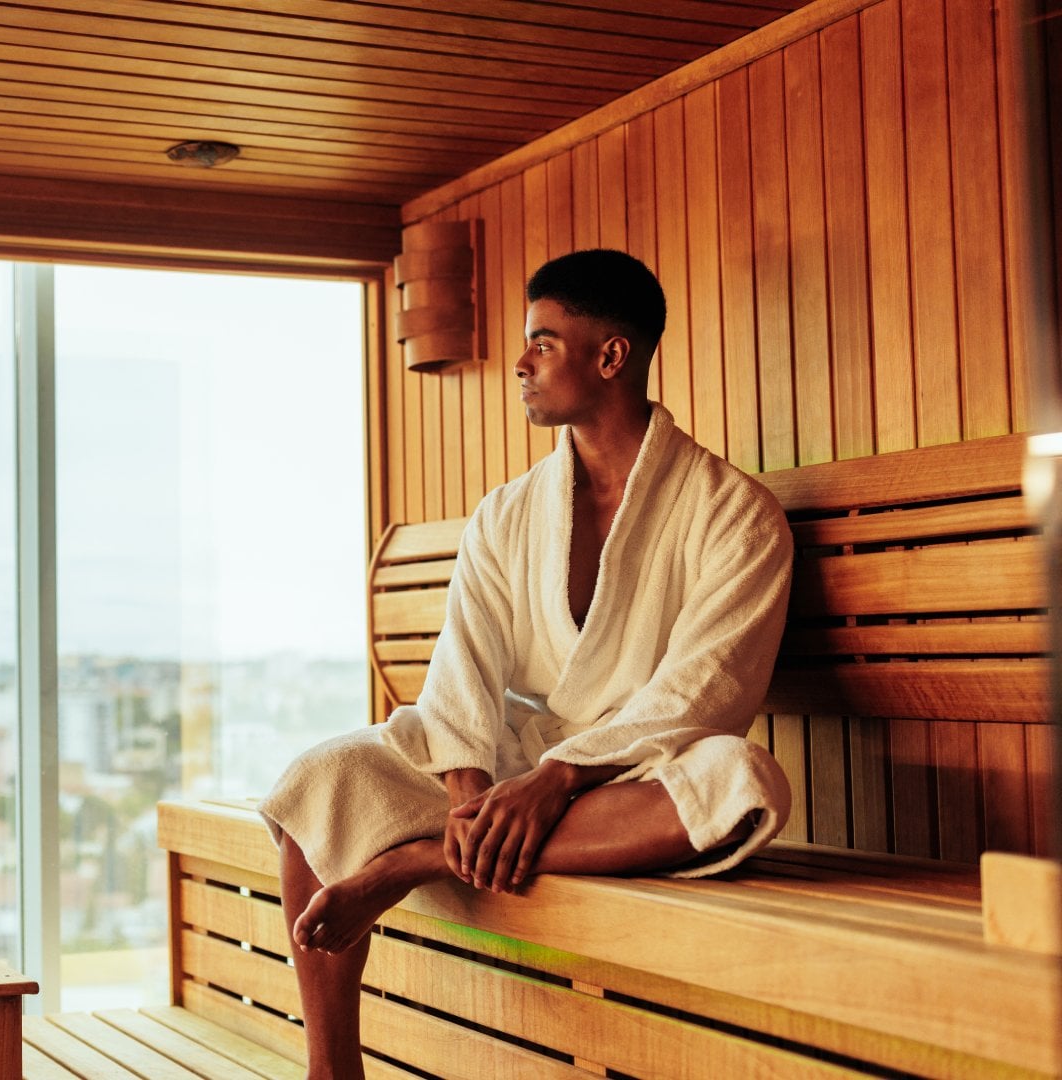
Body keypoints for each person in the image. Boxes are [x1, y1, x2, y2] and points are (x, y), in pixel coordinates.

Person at [258, 248, 795, 1080]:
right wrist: (474, 797)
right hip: (511, 771)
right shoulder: (507, 514)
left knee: (743, 781)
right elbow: (463, 669)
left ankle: (414, 862)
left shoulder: (734, 515)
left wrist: (557, 781)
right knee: (324, 778)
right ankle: (332, 1070)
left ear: (610, 356)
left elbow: (706, 692)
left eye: (542, 343)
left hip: (631, 769)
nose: (519, 364)